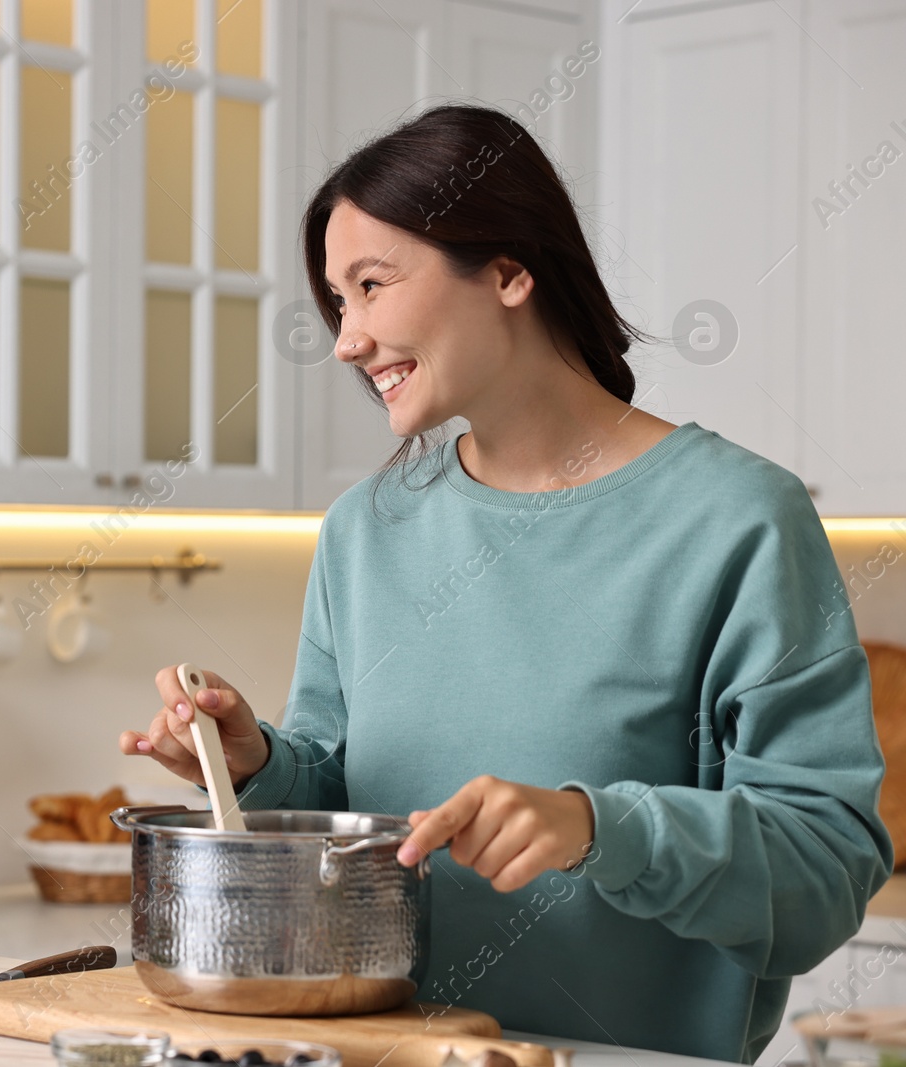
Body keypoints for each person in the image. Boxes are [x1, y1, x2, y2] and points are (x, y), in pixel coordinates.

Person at [122, 105, 891, 1062]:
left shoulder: (739, 519)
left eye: (371, 286)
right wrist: (255, 763)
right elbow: (348, 790)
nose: (347, 340)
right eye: (339, 299)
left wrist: (597, 826)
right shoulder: (367, 529)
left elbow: (825, 871)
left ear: (509, 272)